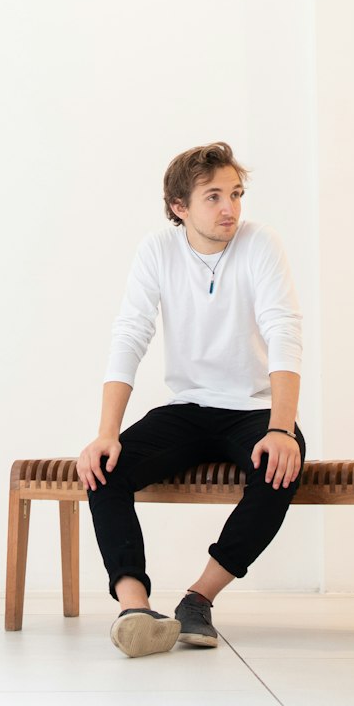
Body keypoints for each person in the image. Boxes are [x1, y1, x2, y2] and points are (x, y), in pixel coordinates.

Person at [76, 141, 306, 658]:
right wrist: (106, 433)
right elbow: (130, 334)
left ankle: (198, 598)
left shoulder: (260, 243)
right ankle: (133, 608)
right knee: (104, 469)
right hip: (190, 408)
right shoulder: (157, 250)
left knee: (280, 468)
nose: (230, 208)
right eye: (214, 197)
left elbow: (283, 331)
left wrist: (281, 428)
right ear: (180, 207)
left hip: (254, 410)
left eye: (236, 194)